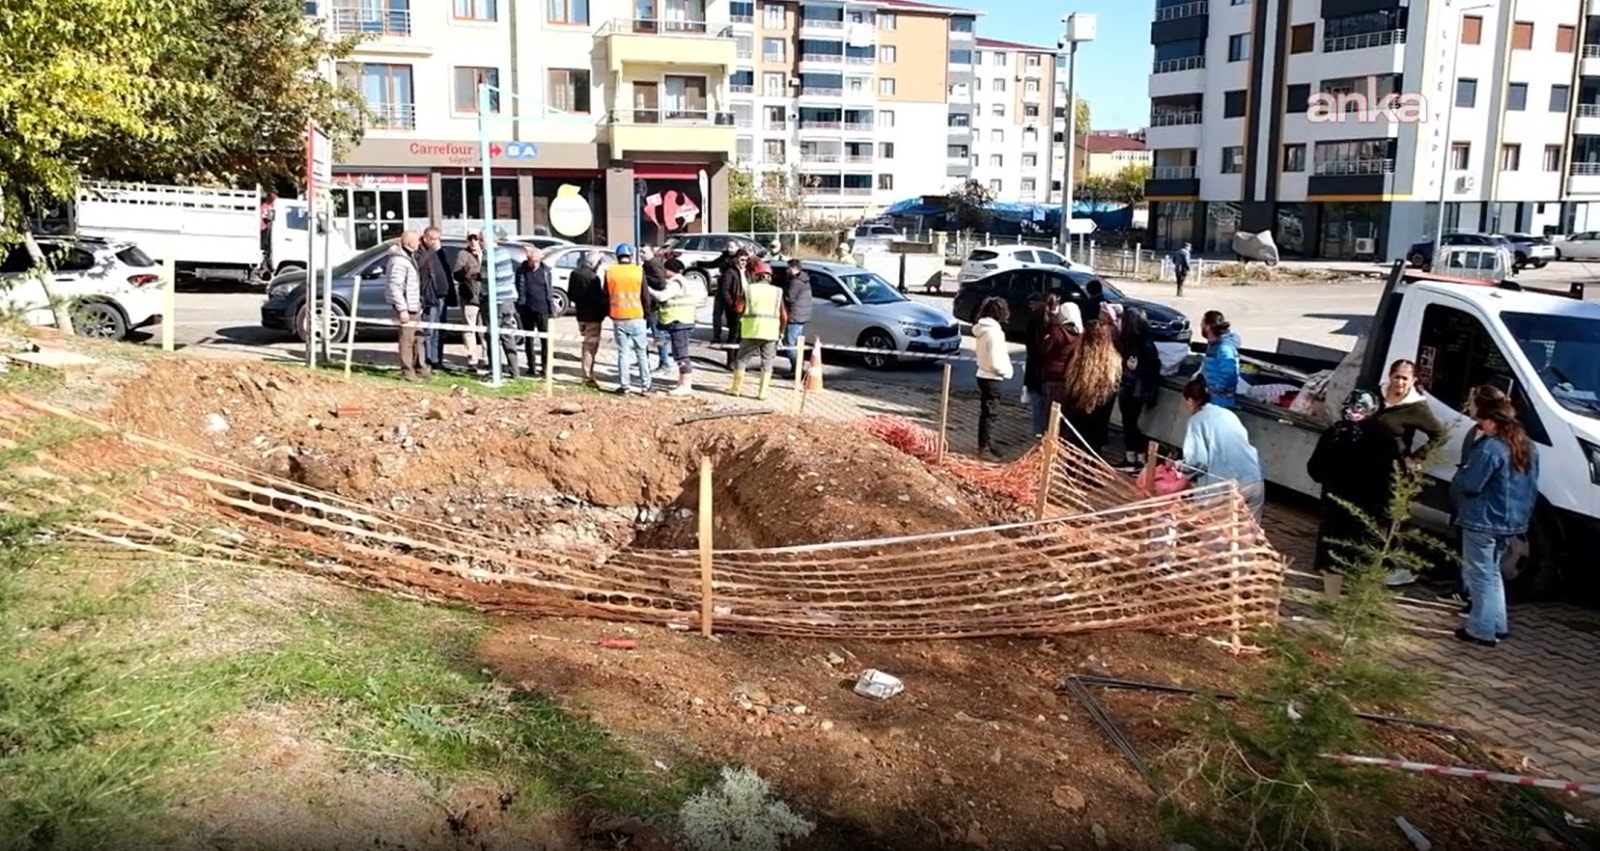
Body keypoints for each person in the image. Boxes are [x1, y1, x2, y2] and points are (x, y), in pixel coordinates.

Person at [1453, 397, 1540, 647]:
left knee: (1480, 575)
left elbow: (1471, 484)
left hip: (1482, 519)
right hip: (1512, 520)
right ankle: (1497, 624)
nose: (1479, 426)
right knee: (1492, 573)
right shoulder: (1528, 447)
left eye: (1481, 422)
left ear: (1492, 422)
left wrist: (1462, 470)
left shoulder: (1491, 448)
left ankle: (1481, 629)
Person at [1306, 390, 1402, 595]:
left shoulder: (1334, 432)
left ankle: (1331, 601)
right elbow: (1395, 476)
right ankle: (1358, 607)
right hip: (1371, 511)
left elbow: (1314, 469)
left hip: (1336, 508)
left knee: (1333, 557)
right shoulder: (1385, 438)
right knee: (1366, 557)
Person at [1374, 358, 1447, 586]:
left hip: (1393, 470)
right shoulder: (1377, 395)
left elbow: (1440, 434)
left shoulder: (1417, 407)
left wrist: (1416, 457)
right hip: (1367, 464)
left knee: (1389, 517)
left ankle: (1390, 566)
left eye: (1405, 378)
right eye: (1396, 376)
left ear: (1413, 380)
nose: (1399, 382)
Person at [1441, 384, 1512, 608]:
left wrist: (1462, 476)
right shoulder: (1478, 433)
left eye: (1472, 401)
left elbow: (1474, 479)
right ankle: (1464, 591)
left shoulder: (1492, 444)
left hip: (1480, 512)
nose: (1468, 405)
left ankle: (1479, 615)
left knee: (1482, 568)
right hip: (1470, 508)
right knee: (1476, 562)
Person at [1179, 377, 1264, 518]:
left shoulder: (1196, 422)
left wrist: (1181, 469)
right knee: (1247, 537)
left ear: (1190, 400)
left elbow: (1196, 461)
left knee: (1217, 536)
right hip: (1255, 480)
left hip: (1227, 487)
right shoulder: (1227, 414)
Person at [1061, 319, 1123, 455]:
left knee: (1073, 448)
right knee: (1093, 450)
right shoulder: (1113, 362)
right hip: (1099, 414)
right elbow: (1112, 390)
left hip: (1076, 412)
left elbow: (1068, 384)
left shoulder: (1077, 357)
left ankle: (1070, 473)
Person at [728, 260, 786, 400]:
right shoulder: (778, 291)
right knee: (767, 362)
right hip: (771, 332)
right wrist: (781, 333)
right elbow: (784, 315)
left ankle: (736, 389)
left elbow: (738, 308)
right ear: (769, 276)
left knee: (741, 360)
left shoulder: (748, 289)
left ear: (756, 275)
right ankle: (762, 393)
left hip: (751, 330)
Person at [1116, 307, 1162, 469]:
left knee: (1133, 424)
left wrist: (1137, 368)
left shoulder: (1146, 345)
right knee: (1128, 423)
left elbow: (1153, 369)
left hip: (1137, 390)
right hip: (1129, 387)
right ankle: (1131, 456)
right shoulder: (1132, 342)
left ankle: (1140, 459)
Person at [655, 257, 706, 396]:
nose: (664, 272)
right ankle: (682, 381)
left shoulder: (675, 283)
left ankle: (685, 384)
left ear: (669, 270)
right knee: (679, 352)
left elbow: (662, 297)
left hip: (679, 321)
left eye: (665, 269)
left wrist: (648, 290)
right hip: (682, 320)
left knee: (681, 353)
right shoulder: (682, 281)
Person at [605, 243, 651, 394]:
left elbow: (605, 295)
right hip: (637, 316)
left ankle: (625, 387)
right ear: (630, 256)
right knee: (641, 353)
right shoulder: (638, 271)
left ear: (617, 257)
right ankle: (646, 387)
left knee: (623, 353)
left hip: (618, 317)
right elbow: (645, 296)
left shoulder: (610, 272)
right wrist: (647, 314)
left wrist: (609, 313)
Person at [972, 296, 1013, 460]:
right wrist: (1006, 371)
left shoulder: (982, 330)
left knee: (987, 413)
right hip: (992, 377)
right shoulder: (994, 333)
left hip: (983, 373)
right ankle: (984, 447)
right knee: (990, 414)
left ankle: (987, 444)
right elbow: (996, 361)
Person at [1022, 295, 1067, 438]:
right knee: (1047, 404)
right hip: (1047, 370)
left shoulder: (1036, 317)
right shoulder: (1058, 321)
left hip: (1036, 368)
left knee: (1037, 402)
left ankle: (1038, 432)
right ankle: (1047, 432)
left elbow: (1030, 343)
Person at [384, 230, 426, 381]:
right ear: (409, 243)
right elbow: (395, 286)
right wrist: (402, 309)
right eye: (416, 241)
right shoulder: (399, 261)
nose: (419, 243)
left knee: (418, 338)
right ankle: (408, 372)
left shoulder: (409, 257)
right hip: (407, 307)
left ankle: (419, 368)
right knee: (407, 340)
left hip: (415, 305)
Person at [1039, 296, 1085, 427]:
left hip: (1052, 375)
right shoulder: (1080, 334)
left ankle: (1049, 439)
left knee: (1050, 411)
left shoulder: (1058, 332)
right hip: (1069, 376)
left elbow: (1043, 350)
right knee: (1065, 412)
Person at [567, 250, 608, 387]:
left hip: (580, 315)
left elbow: (571, 294)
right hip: (593, 317)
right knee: (590, 347)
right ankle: (587, 376)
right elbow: (598, 299)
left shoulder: (574, 273)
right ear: (594, 263)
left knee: (585, 344)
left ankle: (587, 373)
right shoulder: (593, 278)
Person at [416, 227, 451, 371]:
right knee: (429, 330)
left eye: (439, 239)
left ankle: (438, 361)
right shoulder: (421, 252)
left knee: (440, 330)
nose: (437, 242)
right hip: (430, 297)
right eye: (433, 239)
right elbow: (418, 264)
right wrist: (432, 250)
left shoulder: (441, 253)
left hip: (443, 296)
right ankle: (428, 360)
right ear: (425, 239)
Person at [514, 247, 554, 376]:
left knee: (545, 340)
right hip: (527, 309)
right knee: (529, 339)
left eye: (537, 261)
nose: (535, 263)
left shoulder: (546, 271)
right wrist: (521, 304)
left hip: (543, 309)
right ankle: (531, 366)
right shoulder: (521, 271)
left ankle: (545, 367)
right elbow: (518, 287)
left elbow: (550, 290)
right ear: (528, 260)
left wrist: (551, 307)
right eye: (533, 261)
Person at [451, 233, 485, 370]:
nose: (473, 241)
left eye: (475, 238)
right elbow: (457, 274)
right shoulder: (463, 254)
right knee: (469, 329)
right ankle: (472, 358)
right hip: (469, 296)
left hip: (485, 296)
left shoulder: (487, 253)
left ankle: (486, 357)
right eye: (470, 238)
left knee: (484, 329)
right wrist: (468, 273)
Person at [1199, 310, 1241, 409]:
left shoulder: (1223, 347)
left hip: (1220, 402)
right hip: (1214, 399)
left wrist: (1217, 389)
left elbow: (1229, 370)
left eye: (1202, 323)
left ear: (1208, 327)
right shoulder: (1214, 345)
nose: (1200, 326)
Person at [718, 250, 751, 367]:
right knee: (734, 334)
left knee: (743, 335)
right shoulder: (730, 272)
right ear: (736, 259)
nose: (744, 262)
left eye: (746, 260)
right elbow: (725, 290)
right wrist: (731, 304)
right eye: (742, 260)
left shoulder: (747, 272)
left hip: (746, 306)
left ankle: (739, 359)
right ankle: (731, 360)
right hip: (735, 307)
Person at [780, 258, 811, 375]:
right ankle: (796, 369)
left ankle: (798, 367)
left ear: (793, 268)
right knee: (796, 344)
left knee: (789, 344)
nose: (786, 270)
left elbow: (789, 298)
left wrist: (781, 294)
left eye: (788, 268)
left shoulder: (796, 282)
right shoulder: (804, 279)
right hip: (801, 316)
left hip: (795, 316)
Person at [709, 240, 741, 344]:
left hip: (734, 289)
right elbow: (713, 263)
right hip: (721, 286)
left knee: (732, 314)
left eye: (732, 247)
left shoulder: (740, 257)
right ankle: (716, 335)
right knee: (717, 313)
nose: (729, 249)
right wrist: (698, 263)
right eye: (728, 247)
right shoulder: (724, 257)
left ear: (737, 247)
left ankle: (733, 336)